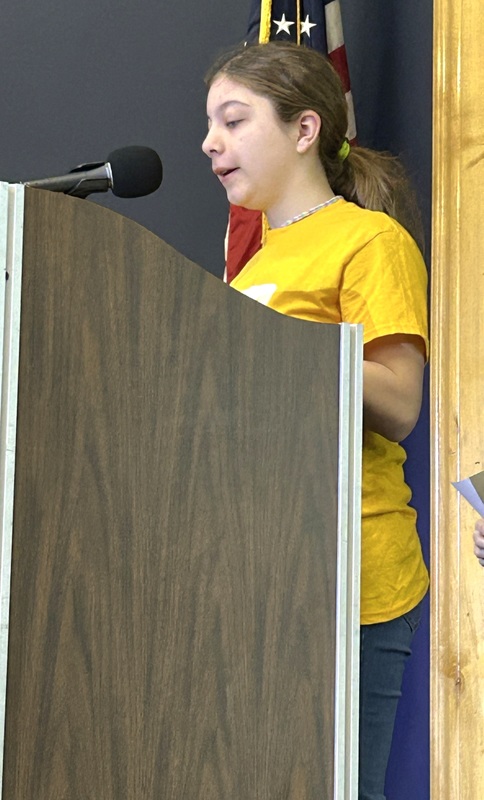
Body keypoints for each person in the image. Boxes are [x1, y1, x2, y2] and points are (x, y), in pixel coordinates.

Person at [202, 41, 429, 800]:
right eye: (209, 125)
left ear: (305, 131)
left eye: (233, 121)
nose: (210, 143)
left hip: (349, 581)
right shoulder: (250, 266)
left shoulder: (371, 241)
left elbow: (398, 403)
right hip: (256, 572)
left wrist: (277, 346)